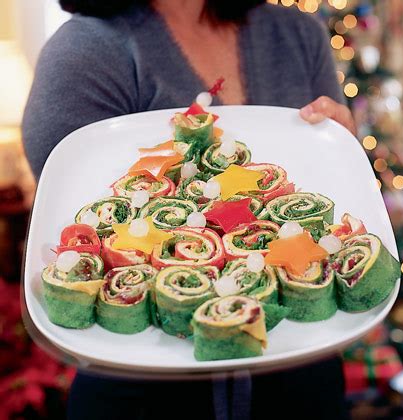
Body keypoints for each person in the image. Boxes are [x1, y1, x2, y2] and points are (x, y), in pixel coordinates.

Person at [23, 1, 354, 419]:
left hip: (306, 382)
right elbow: (76, 225)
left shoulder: (299, 34)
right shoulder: (85, 51)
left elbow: (332, 181)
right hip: (140, 399)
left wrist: (344, 152)